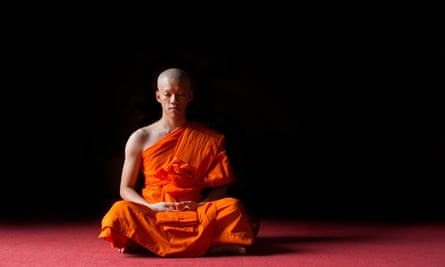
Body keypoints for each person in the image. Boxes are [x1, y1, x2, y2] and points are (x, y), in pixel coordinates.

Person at [98, 67, 259, 257]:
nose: (174, 101)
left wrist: (200, 205)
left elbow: (221, 187)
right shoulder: (140, 137)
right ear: (158, 96)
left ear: (190, 96)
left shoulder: (208, 138)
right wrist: (151, 207)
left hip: (192, 211)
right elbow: (125, 189)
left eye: (181, 94)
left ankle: (147, 244)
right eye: (168, 94)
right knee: (119, 212)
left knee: (233, 208)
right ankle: (211, 246)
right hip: (154, 211)